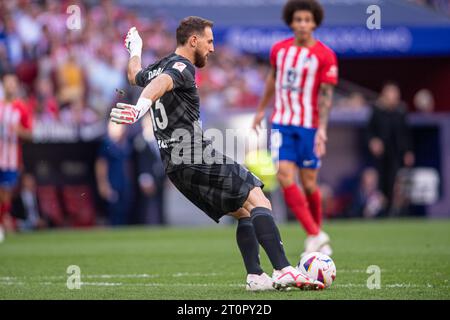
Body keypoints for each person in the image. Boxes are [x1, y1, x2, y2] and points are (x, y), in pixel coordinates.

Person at [110, 17, 324, 291]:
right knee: (259, 198)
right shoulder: (180, 66)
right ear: (193, 40)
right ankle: (283, 269)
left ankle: (256, 277)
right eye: (209, 41)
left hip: (175, 166)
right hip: (194, 154)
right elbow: (162, 83)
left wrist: (135, 50)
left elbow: (134, 75)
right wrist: (140, 107)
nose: (212, 48)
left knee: (244, 211)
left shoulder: (158, 66)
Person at [252, 0, 337, 256]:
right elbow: (272, 80)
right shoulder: (279, 50)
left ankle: (315, 233)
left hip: (309, 126)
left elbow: (326, 95)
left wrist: (322, 129)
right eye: (298, 19)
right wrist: (260, 110)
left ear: (314, 23)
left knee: (309, 183)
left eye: (307, 20)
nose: (302, 24)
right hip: (282, 123)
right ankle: (315, 233)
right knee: (284, 176)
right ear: (291, 22)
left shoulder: (325, 55)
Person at [367, 81, 414, 216]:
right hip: (380, 155)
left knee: (396, 181)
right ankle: (380, 210)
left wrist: (408, 151)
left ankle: (397, 211)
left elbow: (406, 134)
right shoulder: (377, 111)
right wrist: (373, 141)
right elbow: (369, 132)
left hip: (397, 153)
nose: (392, 95)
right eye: (390, 92)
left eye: (395, 92)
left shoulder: (401, 112)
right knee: (381, 182)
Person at [0, 71, 33, 243]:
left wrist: (19, 131)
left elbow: (30, 134)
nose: (10, 86)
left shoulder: (21, 107)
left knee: (5, 194)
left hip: (11, 158)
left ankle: (2, 220)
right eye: (7, 82)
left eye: (13, 83)